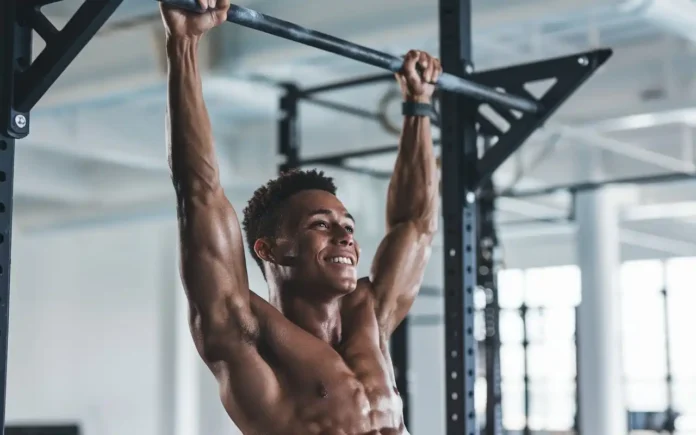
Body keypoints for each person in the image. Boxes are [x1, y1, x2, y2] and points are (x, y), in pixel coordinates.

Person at [161, 0, 440, 433]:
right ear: (269, 248)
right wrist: (183, 43)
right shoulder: (247, 335)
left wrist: (418, 107)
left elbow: (415, 227)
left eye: (347, 226)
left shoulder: (371, 316)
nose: (345, 237)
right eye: (321, 226)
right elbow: (198, 194)